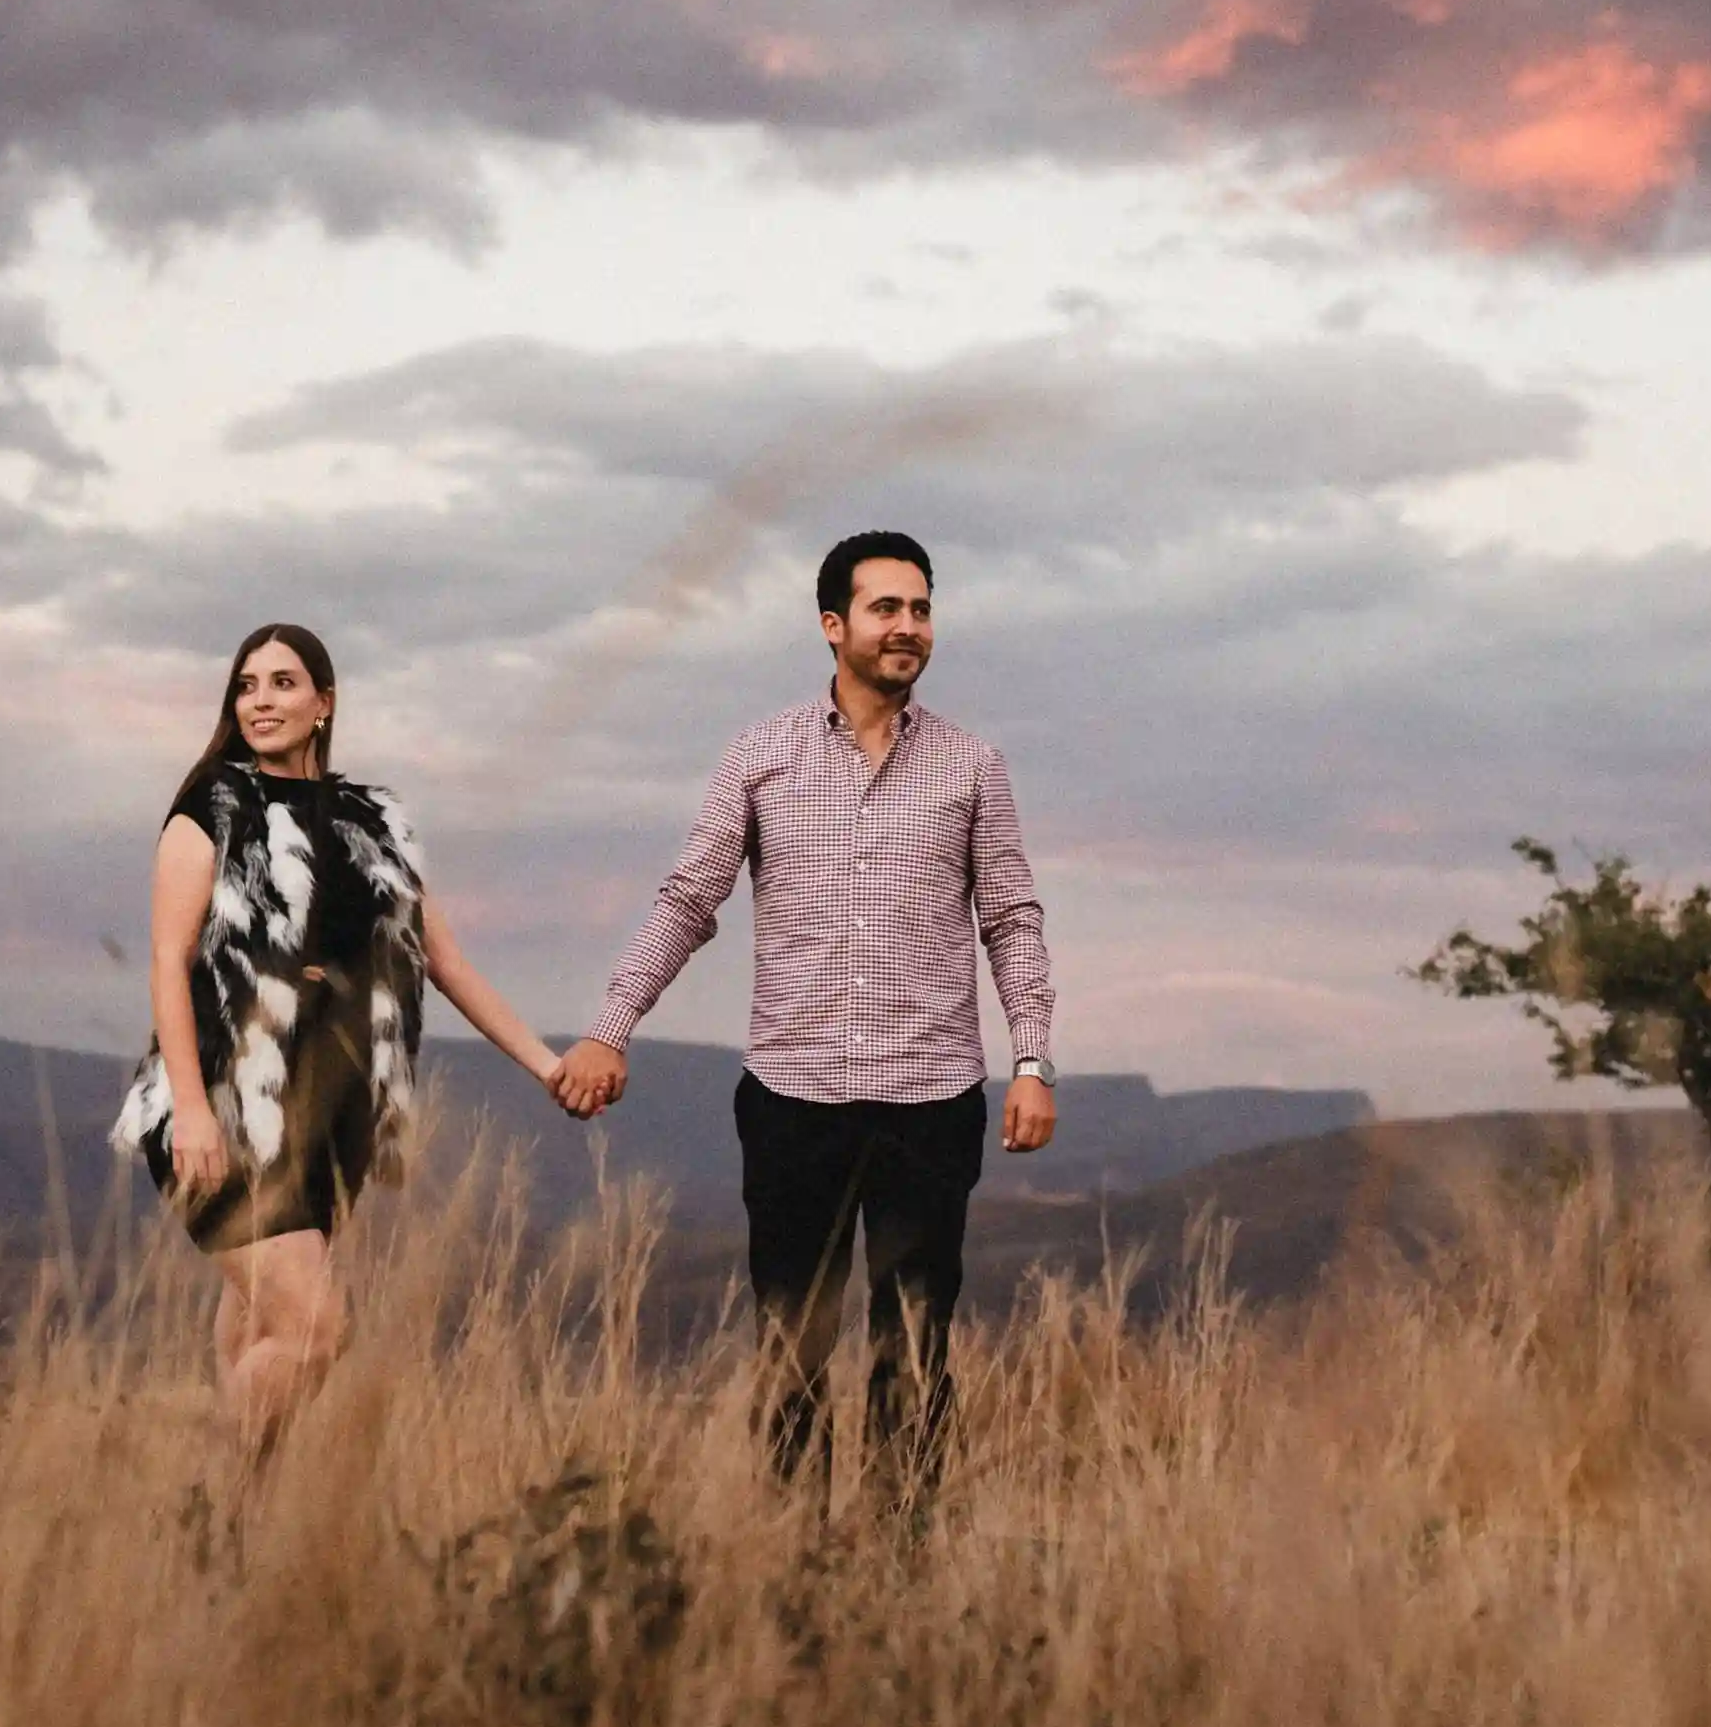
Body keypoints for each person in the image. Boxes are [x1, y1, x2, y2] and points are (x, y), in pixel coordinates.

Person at [553, 530, 1056, 1499]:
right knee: (791, 1345)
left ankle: (897, 1560)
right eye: (885, 609)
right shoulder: (760, 756)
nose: (907, 627)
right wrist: (610, 1025)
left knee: (913, 1348)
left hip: (928, 1099)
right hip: (793, 1102)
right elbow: (686, 900)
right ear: (833, 626)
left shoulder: (970, 766)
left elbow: (1009, 916)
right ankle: (789, 1570)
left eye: (920, 609)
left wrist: (1031, 1061)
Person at [113, 621, 568, 1439]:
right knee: (317, 1328)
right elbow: (167, 960)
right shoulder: (211, 807)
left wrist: (547, 1064)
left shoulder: (375, 821)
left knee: (258, 1324)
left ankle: (229, 1539)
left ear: (324, 703)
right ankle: (230, 1491)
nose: (261, 700)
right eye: (247, 684)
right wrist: (190, 1105)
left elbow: (448, 962)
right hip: (228, 1103)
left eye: (283, 682)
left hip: (330, 1112)